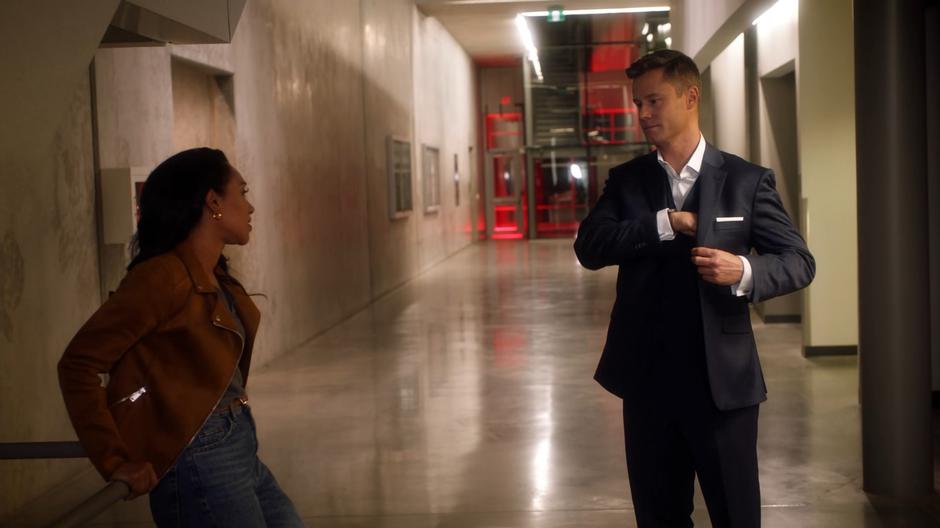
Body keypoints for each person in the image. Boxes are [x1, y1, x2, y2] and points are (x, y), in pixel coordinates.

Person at [574, 50, 815, 527]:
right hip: (647, 385)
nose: (643, 114)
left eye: (654, 101)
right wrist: (667, 223)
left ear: (690, 97)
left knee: (736, 515)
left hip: (723, 388)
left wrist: (743, 270)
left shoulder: (746, 181)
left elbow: (798, 261)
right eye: (638, 103)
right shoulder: (628, 182)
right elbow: (590, 247)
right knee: (658, 517)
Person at [58, 148, 304, 527]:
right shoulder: (162, 278)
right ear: (213, 202)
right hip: (199, 456)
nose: (251, 207)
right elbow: (78, 363)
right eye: (243, 191)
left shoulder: (214, 276)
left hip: (236, 441)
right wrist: (115, 460)